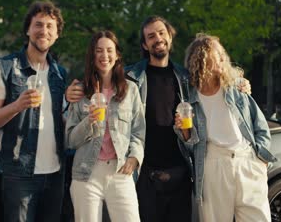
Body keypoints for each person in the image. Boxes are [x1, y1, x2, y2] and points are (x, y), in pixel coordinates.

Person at [66, 16, 251, 222]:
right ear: (145, 44)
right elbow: (104, 78)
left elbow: (213, 81)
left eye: (161, 33)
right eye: (151, 36)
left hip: (179, 170)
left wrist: (239, 82)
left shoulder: (186, 78)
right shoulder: (130, 78)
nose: (158, 39)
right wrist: (71, 93)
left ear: (170, 37)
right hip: (145, 174)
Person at [0, 1, 67, 222]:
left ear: (57, 35)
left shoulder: (60, 73)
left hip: (55, 174)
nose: (43, 31)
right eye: (38, 25)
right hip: (19, 174)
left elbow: (61, 121)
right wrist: (17, 105)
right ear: (28, 30)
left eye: (49, 27)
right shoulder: (5, 67)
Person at [175, 33, 277, 222]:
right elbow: (189, 148)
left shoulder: (235, 89)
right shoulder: (189, 99)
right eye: (218, 54)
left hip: (247, 163)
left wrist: (260, 159)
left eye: (223, 53)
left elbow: (260, 125)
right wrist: (185, 132)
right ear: (202, 59)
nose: (224, 57)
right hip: (214, 167)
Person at [65, 30, 145, 222]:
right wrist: (89, 121)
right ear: (92, 56)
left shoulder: (131, 89)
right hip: (86, 173)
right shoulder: (80, 91)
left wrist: (134, 157)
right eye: (99, 50)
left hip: (120, 172)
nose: (104, 56)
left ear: (117, 55)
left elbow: (138, 131)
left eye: (109, 50)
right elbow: (70, 140)